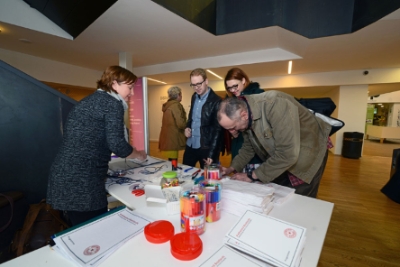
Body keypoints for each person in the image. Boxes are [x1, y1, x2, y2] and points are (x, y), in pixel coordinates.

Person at [47, 65, 147, 226]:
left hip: (66, 175)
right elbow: (117, 145)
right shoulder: (112, 104)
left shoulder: (90, 100)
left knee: (79, 229)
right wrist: (139, 154)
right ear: (114, 84)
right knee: (94, 230)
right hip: (82, 182)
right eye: (129, 87)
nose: (131, 92)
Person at [218, 91, 332, 198]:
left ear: (244, 115)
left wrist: (251, 175)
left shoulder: (276, 104)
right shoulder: (247, 114)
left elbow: (287, 154)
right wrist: (231, 168)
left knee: (299, 200)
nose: (232, 132)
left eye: (233, 127)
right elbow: (249, 147)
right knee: (279, 196)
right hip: (284, 158)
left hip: (308, 154)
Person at [224, 67, 264, 175]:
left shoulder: (257, 96)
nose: (232, 90)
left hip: (255, 154)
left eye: (235, 86)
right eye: (229, 88)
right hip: (239, 150)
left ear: (243, 80)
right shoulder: (232, 100)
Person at [183, 68, 224, 169]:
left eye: (199, 84)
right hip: (191, 144)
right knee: (184, 173)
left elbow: (218, 130)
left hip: (206, 147)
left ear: (206, 81)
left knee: (207, 179)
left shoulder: (216, 101)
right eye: (193, 85)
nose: (196, 88)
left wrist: (212, 153)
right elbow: (191, 117)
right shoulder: (194, 97)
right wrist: (187, 127)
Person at [159, 86, 187, 165]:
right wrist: (188, 125)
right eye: (181, 94)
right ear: (178, 95)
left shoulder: (167, 105)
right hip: (174, 137)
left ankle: (171, 172)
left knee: (171, 159)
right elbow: (180, 123)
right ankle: (173, 173)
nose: (181, 96)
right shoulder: (176, 105)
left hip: (168, 137)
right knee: (173, 161)